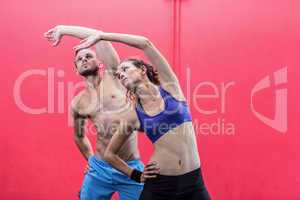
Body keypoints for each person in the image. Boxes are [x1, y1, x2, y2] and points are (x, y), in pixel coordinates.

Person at [74, 31, 211, 199]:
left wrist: (101, 36)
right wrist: (136, 175)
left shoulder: (171, 88)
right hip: (160, 184)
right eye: (119, 74)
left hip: (194, 182)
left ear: (142, 70)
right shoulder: (134, 114)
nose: (121, 74)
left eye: (125, 69)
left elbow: (145, 43)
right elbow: (109, 154)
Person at [44, 25, 159, 200]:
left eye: (88, 55)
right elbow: (79, 136)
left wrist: (63, 29)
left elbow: (99, 36)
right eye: (80, 59)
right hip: (99, 169)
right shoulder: (79, 102)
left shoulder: (115, 76)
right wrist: (90, 160)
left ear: (99, 62)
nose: (84, 59)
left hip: (130, 167)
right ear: (76, 69)